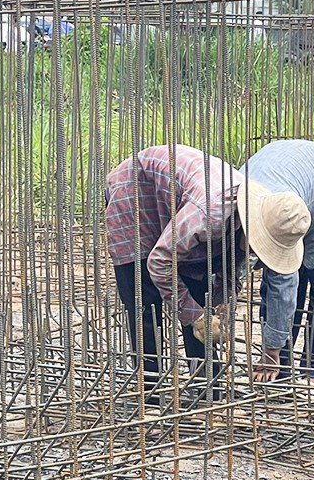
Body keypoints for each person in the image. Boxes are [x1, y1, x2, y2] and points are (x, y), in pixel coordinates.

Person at [104, 145, 249, 391]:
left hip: (176, 201)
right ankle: (150, 386)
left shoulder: (249, 213)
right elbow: (160, 260)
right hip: (134, 192)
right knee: (144, 298)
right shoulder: (210, 215)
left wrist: (218, 308)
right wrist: (197, 316)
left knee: (197, 292)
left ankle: (205, 384)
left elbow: (229, 272)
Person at [237, 139, 314, 385]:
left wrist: (270, 350)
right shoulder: (235, 204)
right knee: (276, 281)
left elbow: (283, 282)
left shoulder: (280, 216)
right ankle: (282, 368)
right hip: (288, 176)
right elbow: (226, 267)